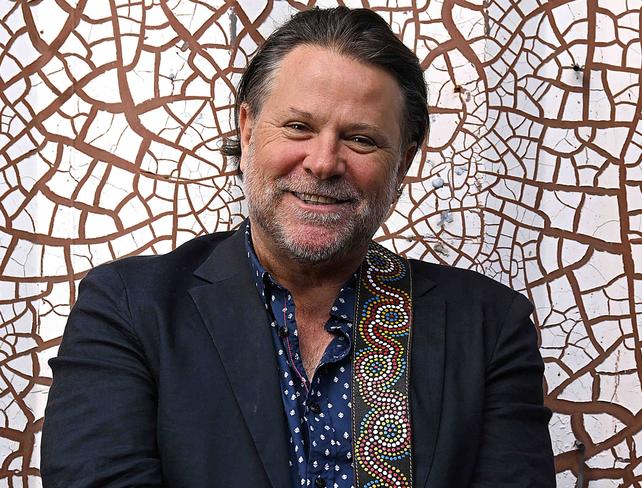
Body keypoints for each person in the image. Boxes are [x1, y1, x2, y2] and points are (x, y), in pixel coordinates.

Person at [41, 6, 555, 488]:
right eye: (298, 127)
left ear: (404, 162)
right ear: (246, 131)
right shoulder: (128, 308)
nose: (324, 161)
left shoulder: (490, 327)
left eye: (361, 139)